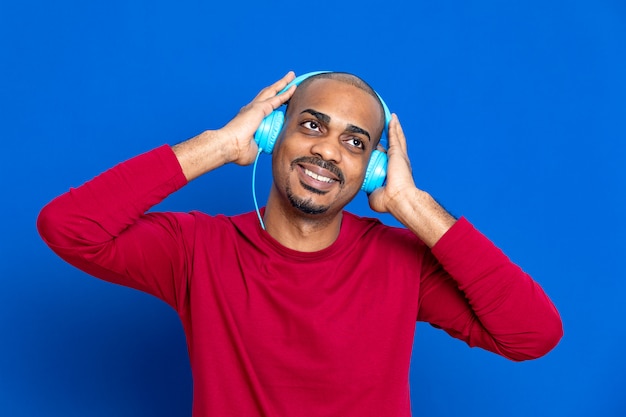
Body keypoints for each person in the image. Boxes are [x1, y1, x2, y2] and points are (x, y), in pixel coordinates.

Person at [37, 71, 563, 417]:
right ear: (272, 134)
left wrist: (411, 204)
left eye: (355, 143)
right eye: (312, 125)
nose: (327, 152)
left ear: (372, 168)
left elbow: (533, 334)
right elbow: (68, 227)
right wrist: (219, 145)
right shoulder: (196, 248)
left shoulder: (400, 262)